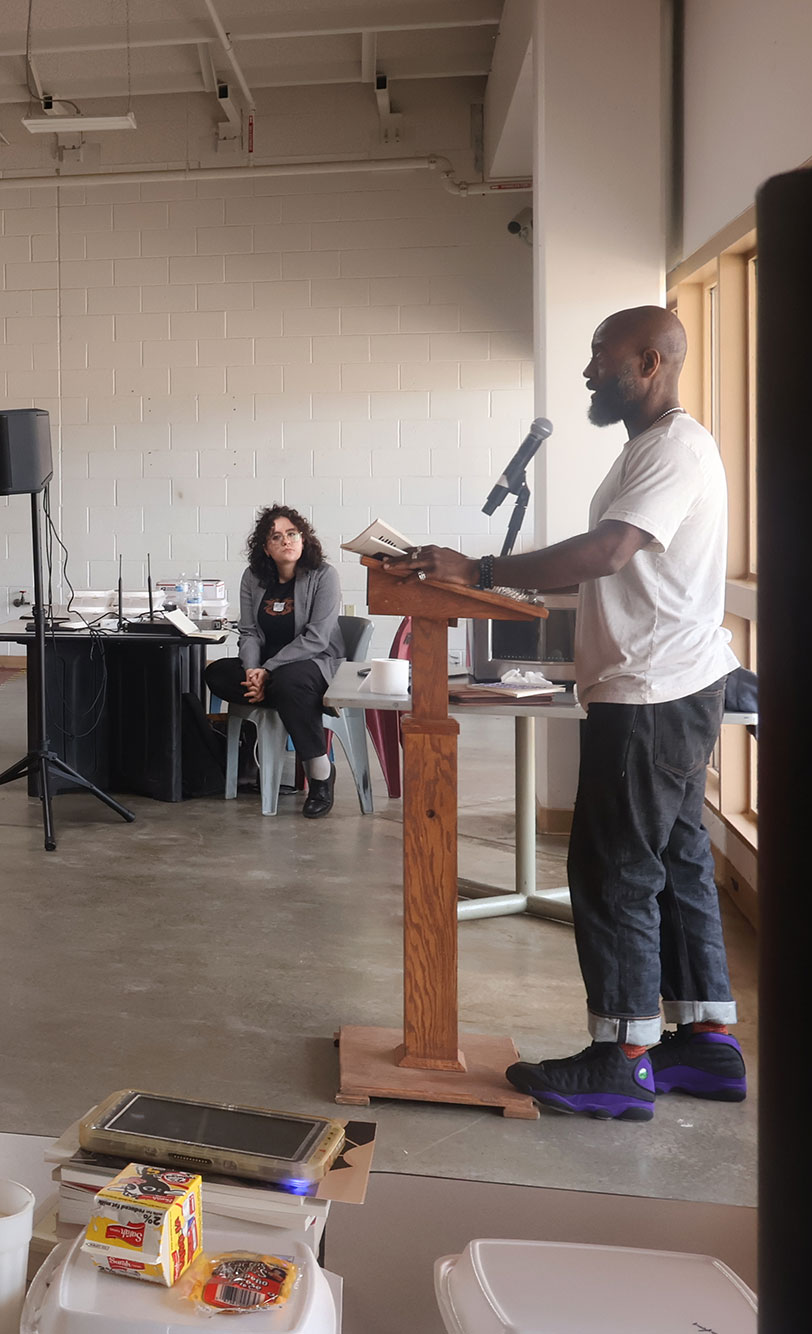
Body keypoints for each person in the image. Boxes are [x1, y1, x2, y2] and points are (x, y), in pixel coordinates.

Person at [395, 306, 744, 1120]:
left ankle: (621, 1057)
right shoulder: (652, 448)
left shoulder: (675, 448)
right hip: (667, 685)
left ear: (649, 362)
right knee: (677, 860)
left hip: (651, 690)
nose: (588, 370)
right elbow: (611, 565)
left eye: (600, 355)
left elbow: (609, 553)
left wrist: (481, 568)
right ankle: (706, 1043)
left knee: (614, 868)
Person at [203, 506, 346, 818]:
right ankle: (278, 696)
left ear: (303, 539)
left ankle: (320, 773)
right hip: (267, 668)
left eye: (292, 534)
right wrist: (252, 670)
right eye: (276, 537)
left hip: (315, 662)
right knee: (217, 674)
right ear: (266, 548)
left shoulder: (324, 575)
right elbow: (249, 631)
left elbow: (317, 638)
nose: (286, 541)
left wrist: (268, 669)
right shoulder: (253, 578)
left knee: (289, 683)